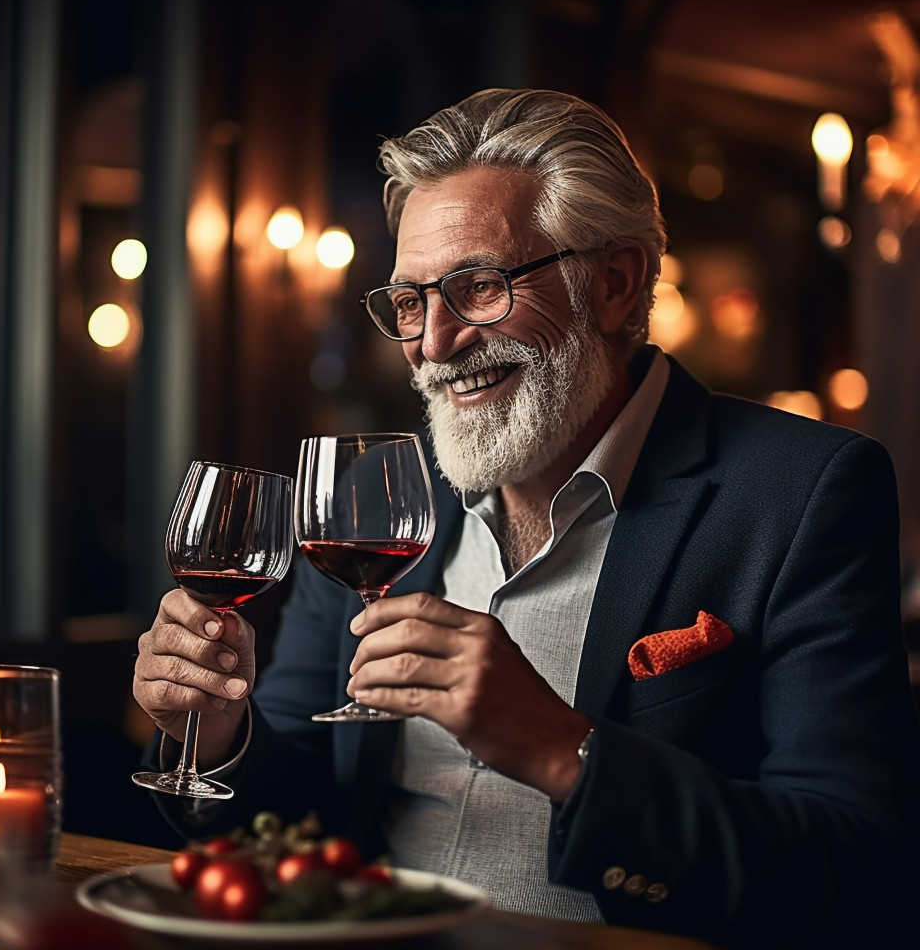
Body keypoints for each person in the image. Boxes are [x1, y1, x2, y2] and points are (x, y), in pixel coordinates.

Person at [133, 88, 920, 949]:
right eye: (409, 301)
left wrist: (561, 748)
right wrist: (219, 735)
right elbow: (293, 813)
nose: (434, 344)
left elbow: (857, 873)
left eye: (477, 287)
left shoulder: (805, 491)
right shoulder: (381, 503)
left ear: (613, 283)